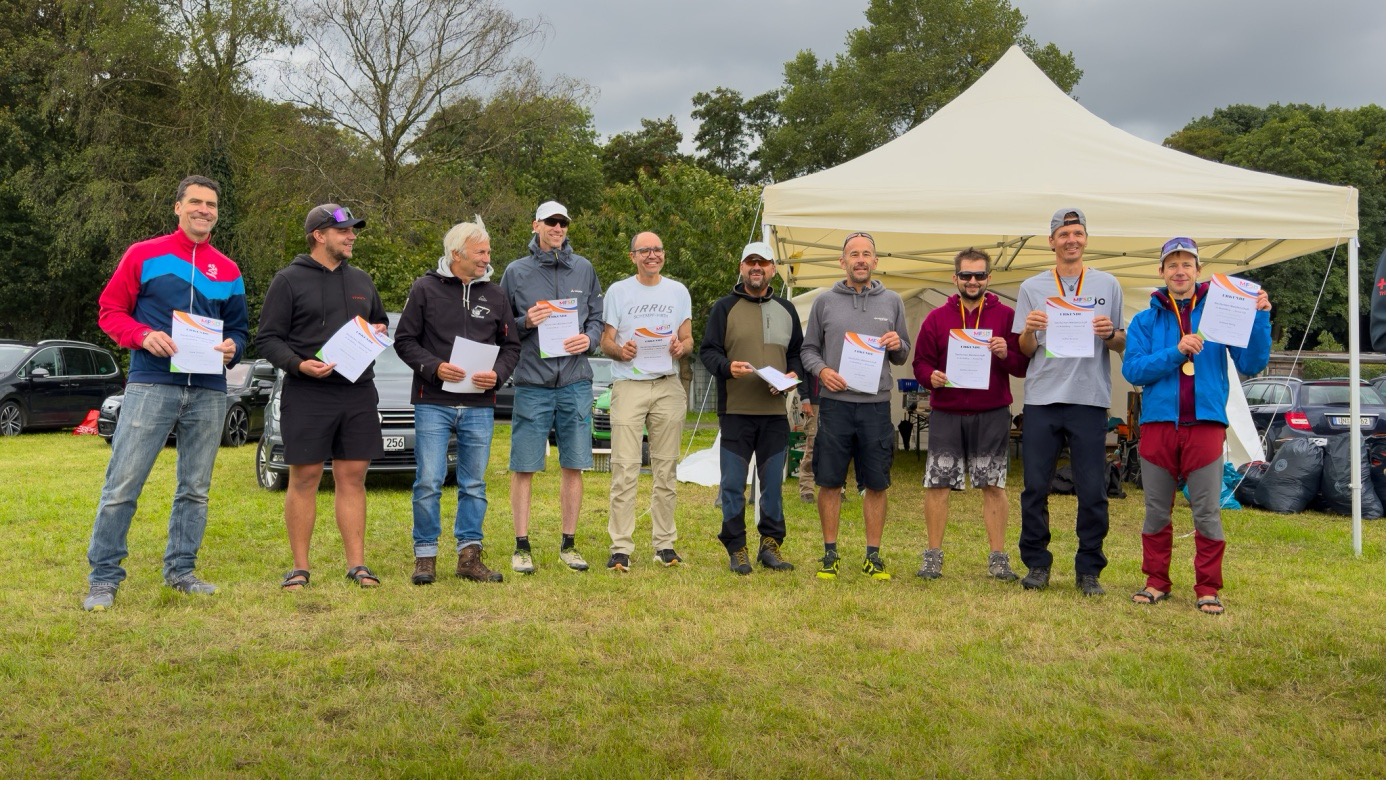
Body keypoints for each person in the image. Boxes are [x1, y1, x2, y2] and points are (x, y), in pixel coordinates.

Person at [83, 175, 248, 611]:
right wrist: (141, 335)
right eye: (195, 202)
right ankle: (103, 579)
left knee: (195, 489)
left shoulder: (229, 270)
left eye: (211, 204)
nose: (204, 210)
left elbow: (240, 330)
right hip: (151, 385)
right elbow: (109, 312)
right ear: (178, 207)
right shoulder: (144, 254)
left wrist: (235, 347)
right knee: (122, 485)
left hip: (210, 391)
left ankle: (181, 570)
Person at [1122, 237, 1272, 615]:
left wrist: (1259, 317)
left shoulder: (1223, 310)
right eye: (1172, 264)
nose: (1179, 271)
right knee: (1156, 510)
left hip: (1205, 424)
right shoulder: (1144, 319)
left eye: (1186, 264)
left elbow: (1252, 363)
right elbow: (1133, 369)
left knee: (1206, 510)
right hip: (1158, 425)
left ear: (1197, 270)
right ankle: (1156, 581)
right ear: (1161, 271)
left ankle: (1208, 587)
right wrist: (1177, 351)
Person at [257, 203, 389, 590]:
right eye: (344, 231)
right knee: (306, 477)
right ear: (319, 235)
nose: (351, 237)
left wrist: (378, 329)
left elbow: (379, 323)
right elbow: (267, 339)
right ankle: (300, 568)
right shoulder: (288, 280)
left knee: (352, 477)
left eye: (353, 231)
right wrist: (299, 365)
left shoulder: (363, 280)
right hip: (308, 392)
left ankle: (358, 566)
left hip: (358, 392)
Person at [394, 217, 521, 584]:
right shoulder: (424, 289)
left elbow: (511, 345)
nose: (487, 258)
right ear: (456, 254)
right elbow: (404, 340)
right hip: (433, 400)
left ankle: (469, 555)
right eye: (481, 252)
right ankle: (425, 557)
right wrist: (434, 368)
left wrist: (498, 373)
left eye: (488, 252)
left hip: (480, 404)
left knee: (474, 484)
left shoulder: (495, 294)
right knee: (429, 480)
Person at [1013, 208, 1126, 596]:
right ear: (1052, 241)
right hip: (1043, 399)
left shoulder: (1108, 284)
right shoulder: (1032, 286)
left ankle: (1089, 568)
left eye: (1077, 233)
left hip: (1090, 399)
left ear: (1086, 239)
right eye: (1063, 234)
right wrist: (1029, 329)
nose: (1071, 240)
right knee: (1034, 487)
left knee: (1093, 488)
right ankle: (1037, 564)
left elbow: (1122, 343)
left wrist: (1110, 333)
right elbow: (1024, 349)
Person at [498, 201, 604, 574]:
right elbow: (501, 327)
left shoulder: (584, 268)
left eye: (564, 222)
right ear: (536, 225)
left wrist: (588, 340)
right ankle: (521, 546)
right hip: (532, 382)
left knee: (573, 464)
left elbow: (596, 318)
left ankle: (569, 544)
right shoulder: (516, 272)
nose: (558, 227)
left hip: (575, 382)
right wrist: (525, 320)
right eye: (551, 222)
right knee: (524, 465)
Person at [911, 248, 1028, 581]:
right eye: (966, 275)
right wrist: (929, 377)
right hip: (946, 412)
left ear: (989, 278)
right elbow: (920, 362)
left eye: (979, 275)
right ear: (955, 278)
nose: (973, 281)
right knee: (938, 484)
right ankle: (933, 555)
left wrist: (1007, 353)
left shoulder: (1006, 317)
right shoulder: (936, 318)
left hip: (991, 411)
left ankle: (998, 557)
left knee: (993, 484)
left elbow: (1022, 366)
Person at [800, 232, 910, 580]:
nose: (860, 259)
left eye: (867, 254)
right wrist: (823, 371)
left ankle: (872, 556)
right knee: (829, 481)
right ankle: (830, 554)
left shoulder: (892, 301)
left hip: (876, 406)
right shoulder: (824, 302)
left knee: (876, 483)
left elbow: (904, 352)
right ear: (842, 261)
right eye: (853, 254)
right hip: (835, 405)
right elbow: (808, 350)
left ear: (876, 261)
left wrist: (897, 343)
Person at [700, 241, 804, 575]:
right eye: (750, 263)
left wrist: (792, 376)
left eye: (763, 263)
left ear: (773, 269)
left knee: (772, 484)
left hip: (774, 413)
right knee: (733, 484)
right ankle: (737, 548)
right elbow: (708, 351)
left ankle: (770, 547)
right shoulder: (723, 308)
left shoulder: (787, 310)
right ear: (742, 268)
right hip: (736, 411)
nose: (756, 268)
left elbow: (797, 354)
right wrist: (728, 367)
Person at [599, 231, 693, 572]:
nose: (652, 255)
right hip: (629, 385)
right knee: (624, 469)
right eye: (645, 250)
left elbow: (688, 338)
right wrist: (619, 351)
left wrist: (682, 348)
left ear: (663, 254)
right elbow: (605, 340)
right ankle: (621, 548)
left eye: (657, 249)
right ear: (633, 256)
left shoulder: (678, 291)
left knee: (666, 468)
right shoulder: (619, 291)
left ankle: (664, 545)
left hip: (667, 385)